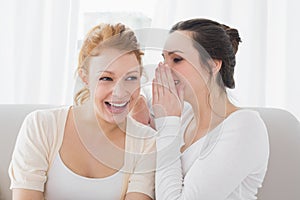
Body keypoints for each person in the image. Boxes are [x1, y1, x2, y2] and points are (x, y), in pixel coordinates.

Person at [9, 23, 155, 200]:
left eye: (131, 78)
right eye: (106, 78)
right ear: (85, 77)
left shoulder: (147, 143)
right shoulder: (41, 125)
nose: (120, 91)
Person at [152, 18, 269, 199]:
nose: (164, 69)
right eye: (163, 59)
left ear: (213, 65)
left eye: (177, 59)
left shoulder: (245, 127)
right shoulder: (183, 117)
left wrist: (167, 124)